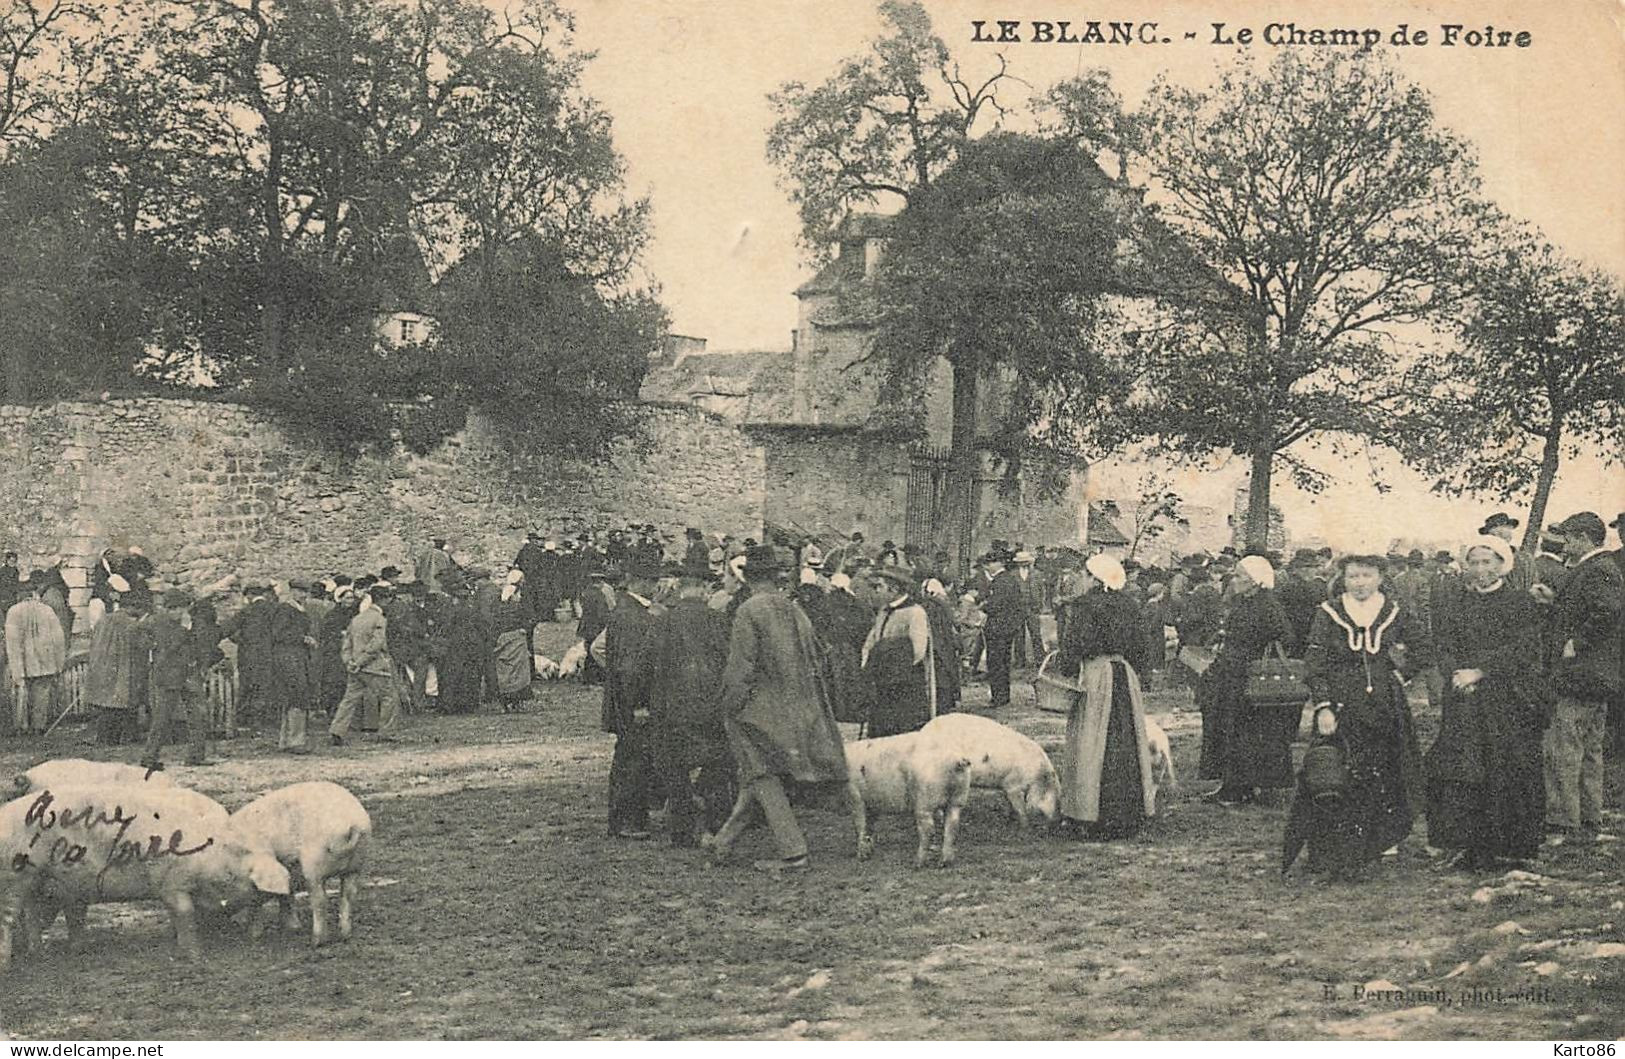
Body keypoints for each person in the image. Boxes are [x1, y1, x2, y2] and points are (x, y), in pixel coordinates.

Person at [707, 546, 848, 872]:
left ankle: (793, 852)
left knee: (760, 774)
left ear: (748, 578)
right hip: (799, 706)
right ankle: (724, 842)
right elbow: (818, 656)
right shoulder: (794, 609)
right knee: (755, 778)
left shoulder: (749, 610)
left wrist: (729, 706)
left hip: (760, 709)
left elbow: (741, 667)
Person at [1282, 554, 1424, 878]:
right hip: (1342, 701)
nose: (1360, 583)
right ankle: (1337, 844)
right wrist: (1323, 705)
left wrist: (1400, 676)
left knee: (1384, 768)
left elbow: (1423, 646)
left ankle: (1380, 838)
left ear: (1379, 578)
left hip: (1384, 704)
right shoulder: (1329, 612)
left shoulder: (1393, 610)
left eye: (1367, 575)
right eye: (1353, 576)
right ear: (1343, 579)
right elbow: (1315, 663)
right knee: (1338, 769)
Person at [1424, 538, 1549, 871]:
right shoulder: (1456, 601)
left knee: (1504, 767)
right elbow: (1444, 642)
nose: (1480, 570)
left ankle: (1507, 846)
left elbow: (1522, 649)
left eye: (1487, 562)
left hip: (1506, 698)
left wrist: (1479, 672)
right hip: (1463, 697)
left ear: (1501, 564)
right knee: (1464, 769)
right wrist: (1455, 674)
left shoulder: (1519, 602)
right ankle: (1466, 844)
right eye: (1474, 562)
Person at [1054, 554, 1156, 840]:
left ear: (1094, 579)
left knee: (1092, 742)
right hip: (1124, 676)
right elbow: (1141, 646)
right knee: (1126, 741)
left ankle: (1089, 812)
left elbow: (1076, 645)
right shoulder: (1130, 604)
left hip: (1098, 675)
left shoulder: (1085, 605)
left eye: (1085, 575)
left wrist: (1069, 667)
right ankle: (1128, 811)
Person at [1540, 512, 1622, 844]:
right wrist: (1554, 601)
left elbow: (1607, 611)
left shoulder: (1598, 568)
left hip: (1580, 675)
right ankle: (1588, 819)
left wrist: (1577, 643)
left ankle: (1562, 823)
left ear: (1585, 539)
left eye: (1570, 538)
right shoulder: (1597, 568)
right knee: (1589, 750)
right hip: (1594, 676)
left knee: (1565, 747)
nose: (1565, 544)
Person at [637, 573, 734, 847]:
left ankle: (682, 832)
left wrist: (643, 701)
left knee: (674, 770)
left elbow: (644, 665)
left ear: (679, 590)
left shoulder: (663, 621)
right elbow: (732, 661)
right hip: (711, 706)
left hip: (671, 708)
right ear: (704, 589)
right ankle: (716, 827)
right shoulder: (719, 620)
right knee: (717, 764)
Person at [1203, 555, 1294, 806]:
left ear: (1256, 581)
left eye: (1241, 576)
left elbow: (1284, 637)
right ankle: (1231, 784)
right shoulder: (1242, 602)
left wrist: (1253, 651)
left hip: (1252, 678)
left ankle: (1248, 787)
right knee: (1231, 730)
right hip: (1233, 675)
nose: (1236, 580)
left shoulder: (1268, 605)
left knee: (1250, 733)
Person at [603, 564, 663, 839]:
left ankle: (629, 817)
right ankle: (626, 820)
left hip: (625, 699)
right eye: (652, 579)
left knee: (632, 756)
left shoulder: (628, 610)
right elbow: (630, 666)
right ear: (640, 581)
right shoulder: (633, 616)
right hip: (633, 702)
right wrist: (638, 703)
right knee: (633, 759)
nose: (656, 585)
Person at [860, 566, 937, 737]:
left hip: (903, 684)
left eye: (878, 587)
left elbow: (918, 651)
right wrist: (868, 665)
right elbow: (871, 640)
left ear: (893, 589)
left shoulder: (914, 612)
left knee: (902, 731)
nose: (875, 592)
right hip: (881, 682)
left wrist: (894, 670)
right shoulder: (883, 611)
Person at [141, 590, 208, 769]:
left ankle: (196, 756)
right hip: (168, 676)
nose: (183, 613)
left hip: (189, 674)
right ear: (171, 609)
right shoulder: (158, 622)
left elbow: (198, 645)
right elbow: (169, 647)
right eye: (180, 609)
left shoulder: (187, 621)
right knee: (162, 719)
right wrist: (183, 629)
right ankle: (149, 757)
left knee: (198, 716)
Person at [329, 584, 400, 745]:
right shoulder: (380, 619)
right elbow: (376, 645)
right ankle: (386, 732)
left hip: (355, 667)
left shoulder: (357, 618)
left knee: (349, 699)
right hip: (374, 668)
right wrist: (361, 662)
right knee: (390, 697)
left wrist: (350, 662)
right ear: (384, 600)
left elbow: (346, 644)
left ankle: (337, 730)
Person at [85, 575, 149, 745]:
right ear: (134, 608)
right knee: (121, 706)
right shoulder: (132, 625)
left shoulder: (104, 620)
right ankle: (118, 739)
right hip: (121, 671)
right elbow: (143, 647)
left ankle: (103, 739)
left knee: (105, 706)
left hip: (101, 669)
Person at [5, 575, 67, 733]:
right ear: (33, 593)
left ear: (19, 595)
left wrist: (16, 668)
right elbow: (58, 638)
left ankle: (23, 726)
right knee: (41, 694)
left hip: (25, 661)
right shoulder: (47, 610)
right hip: (46, 660)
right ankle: (38, 727)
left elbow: (12, 641)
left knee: (22, 693)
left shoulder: (14, 611)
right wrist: (59, 662)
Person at [270, 580, 318, 753]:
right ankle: (295, 741)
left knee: (291, 697)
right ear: (292, 592)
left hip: (297, 657)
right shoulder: (286, 610)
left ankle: (285, 740)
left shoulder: (297, 610)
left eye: (305, 592)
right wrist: (303, 638)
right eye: (300, 592)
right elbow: (278, 633)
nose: (303, 595)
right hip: (289, 658)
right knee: (297, 695)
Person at [982, 549, 1024, 709]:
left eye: (990, 563)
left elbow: (995, 604)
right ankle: (1003, 695)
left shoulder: (1000, 581)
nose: (988, 566)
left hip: (998, 628)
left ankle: (998, 697)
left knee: (996, 663)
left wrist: (984, 606)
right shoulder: (1009, 579)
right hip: (1007, 628)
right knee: (1004, 662)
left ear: (999, 563)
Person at [492, 569, 533, 710]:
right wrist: (525, 628)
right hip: (515, 636)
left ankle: (506, 701)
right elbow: (525, 615)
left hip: (503, 637)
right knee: (518, 669)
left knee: (505, 669)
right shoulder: (518, 597)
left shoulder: (501, 596)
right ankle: (516, 700)